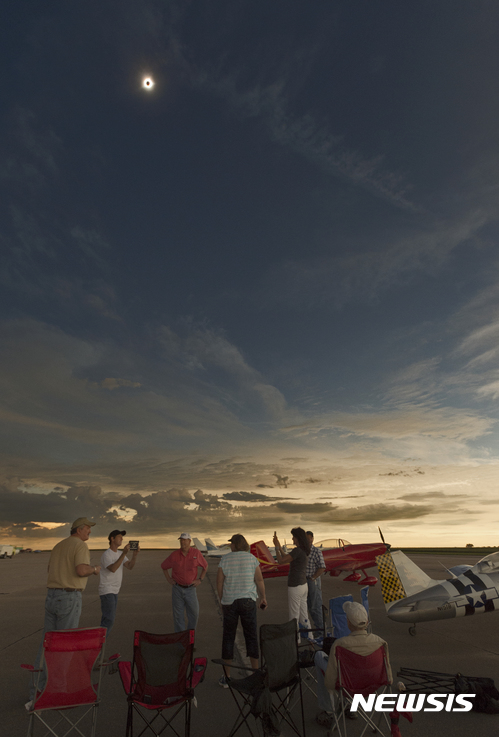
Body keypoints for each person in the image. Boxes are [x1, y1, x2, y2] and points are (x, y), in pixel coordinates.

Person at [27, 517, 101, 707]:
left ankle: (37, 691)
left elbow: (50, 569)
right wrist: (94, 569)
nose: (90, 532)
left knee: (47, 644)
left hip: (52, 596)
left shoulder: (59, 546)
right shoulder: (80, 546)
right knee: (64, 646)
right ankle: (58, 692)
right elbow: (81, 570)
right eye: (88, 528)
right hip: (69, 597)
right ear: (79, 529)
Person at [314, 601, 393, 728]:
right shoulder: (380, 642)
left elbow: (331, 680)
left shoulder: (340, 645)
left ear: (349, 623)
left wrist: (331, 686)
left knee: (319, 656)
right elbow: (388, 676)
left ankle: (329, 709)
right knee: (351, 672)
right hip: (372, 685)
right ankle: (349, 705)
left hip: (348, 686)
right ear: (366, 622)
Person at [216, 533, 267, 688]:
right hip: (248, 601)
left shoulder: (225, 559)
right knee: (251, 636)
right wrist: (263, 597)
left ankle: (227, 677)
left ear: (235, 544)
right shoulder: (252, 559)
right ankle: (255, 674)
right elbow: (259, 580)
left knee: (228, 638)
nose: (230, 546)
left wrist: (221, 599)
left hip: (229, 602)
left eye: (231, 543)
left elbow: (220, 582)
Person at [161, 532, 208, 632]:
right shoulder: (174, 555)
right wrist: (169, 579)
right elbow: (163, 566)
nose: (183, 542)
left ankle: (190, 637)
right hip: (177, 589)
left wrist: (200, 579)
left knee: (194, 614)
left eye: (185, 540)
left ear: (189, 541)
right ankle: (181, 639)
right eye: (181, 540)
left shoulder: (196, 553)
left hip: (191, 589)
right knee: (178, 616)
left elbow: (205, 566)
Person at [99, 529, 140, 635]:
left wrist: (134, 555)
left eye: (122, 537)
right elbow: (113, 568)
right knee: (109, 620)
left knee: (108, 620)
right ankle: (99, 642)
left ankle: (100, 641)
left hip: (115, 591)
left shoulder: (120, 553)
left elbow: (129, 566)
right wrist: (124, 553)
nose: (122, 538)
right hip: (107, 590)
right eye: (119, 536)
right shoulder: (107, 555)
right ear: (112, 539)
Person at [273, 527, 312, 638]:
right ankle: (310, 638)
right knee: (304, 615)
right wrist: (279, 546)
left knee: (294, 616)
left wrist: (276, 547)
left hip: (295, 586)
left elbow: (281, 561)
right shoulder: (303, 550)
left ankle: (295, 641)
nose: (292, 539)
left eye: (293, 537)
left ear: (297, 538)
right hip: (303, 585)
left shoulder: (297, 551)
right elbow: (286, 557)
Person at [306, 530, 326, 634]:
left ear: (312, 539)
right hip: (304, 581)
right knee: (308, 606)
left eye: (309, 538)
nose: (307, 540)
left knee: (315, 606)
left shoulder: (316, 551)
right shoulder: (302, 551)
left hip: (312, 581)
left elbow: (322, 567)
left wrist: (313, 578)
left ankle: (321, 631)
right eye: (306, 538)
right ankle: (315, 629)